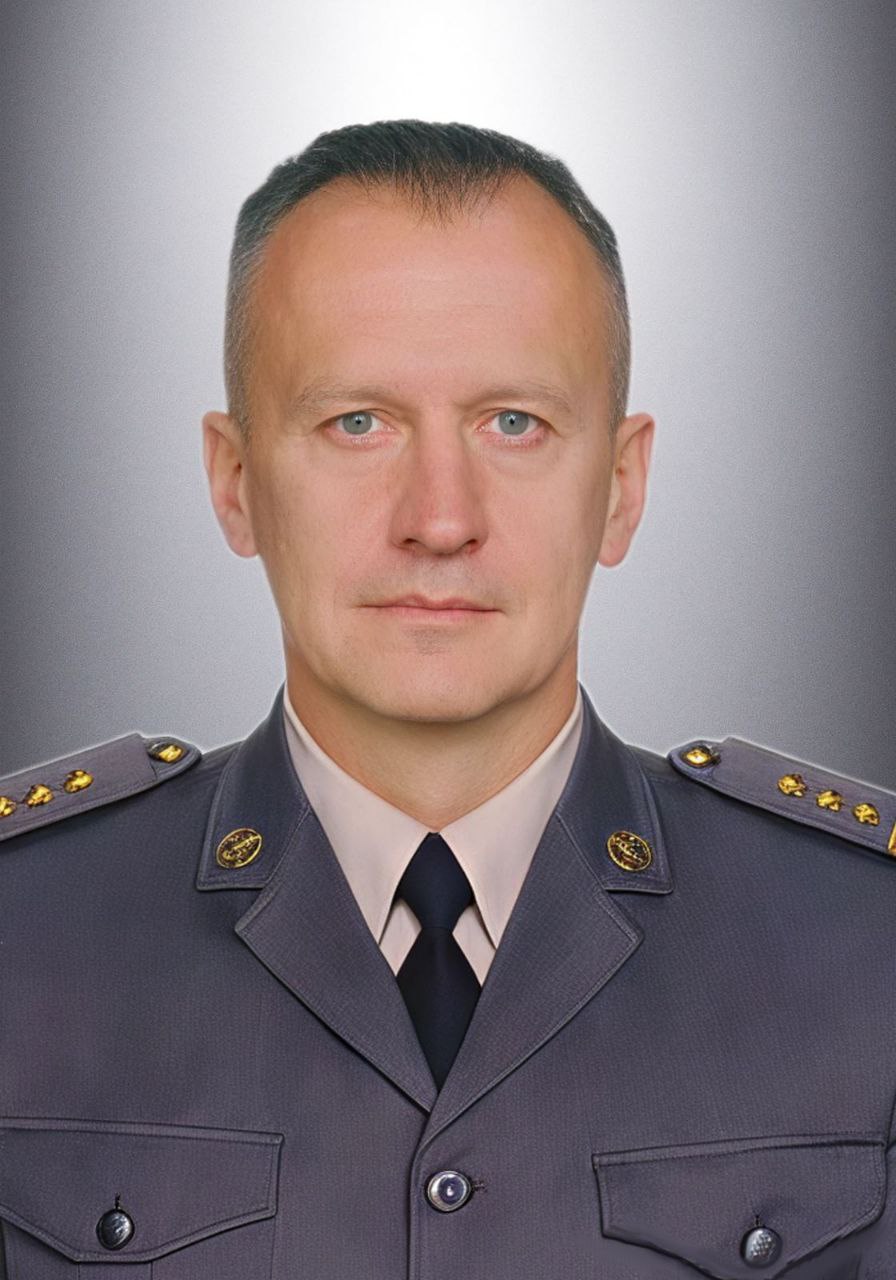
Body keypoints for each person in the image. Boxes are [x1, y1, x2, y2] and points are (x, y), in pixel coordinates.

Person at [1, 120, 894, 1280]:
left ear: (620, 486)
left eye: (512, 422)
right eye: (356, 422)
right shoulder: (26, 930)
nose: (437, 517)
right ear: (235, 481)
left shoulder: (863, 940)